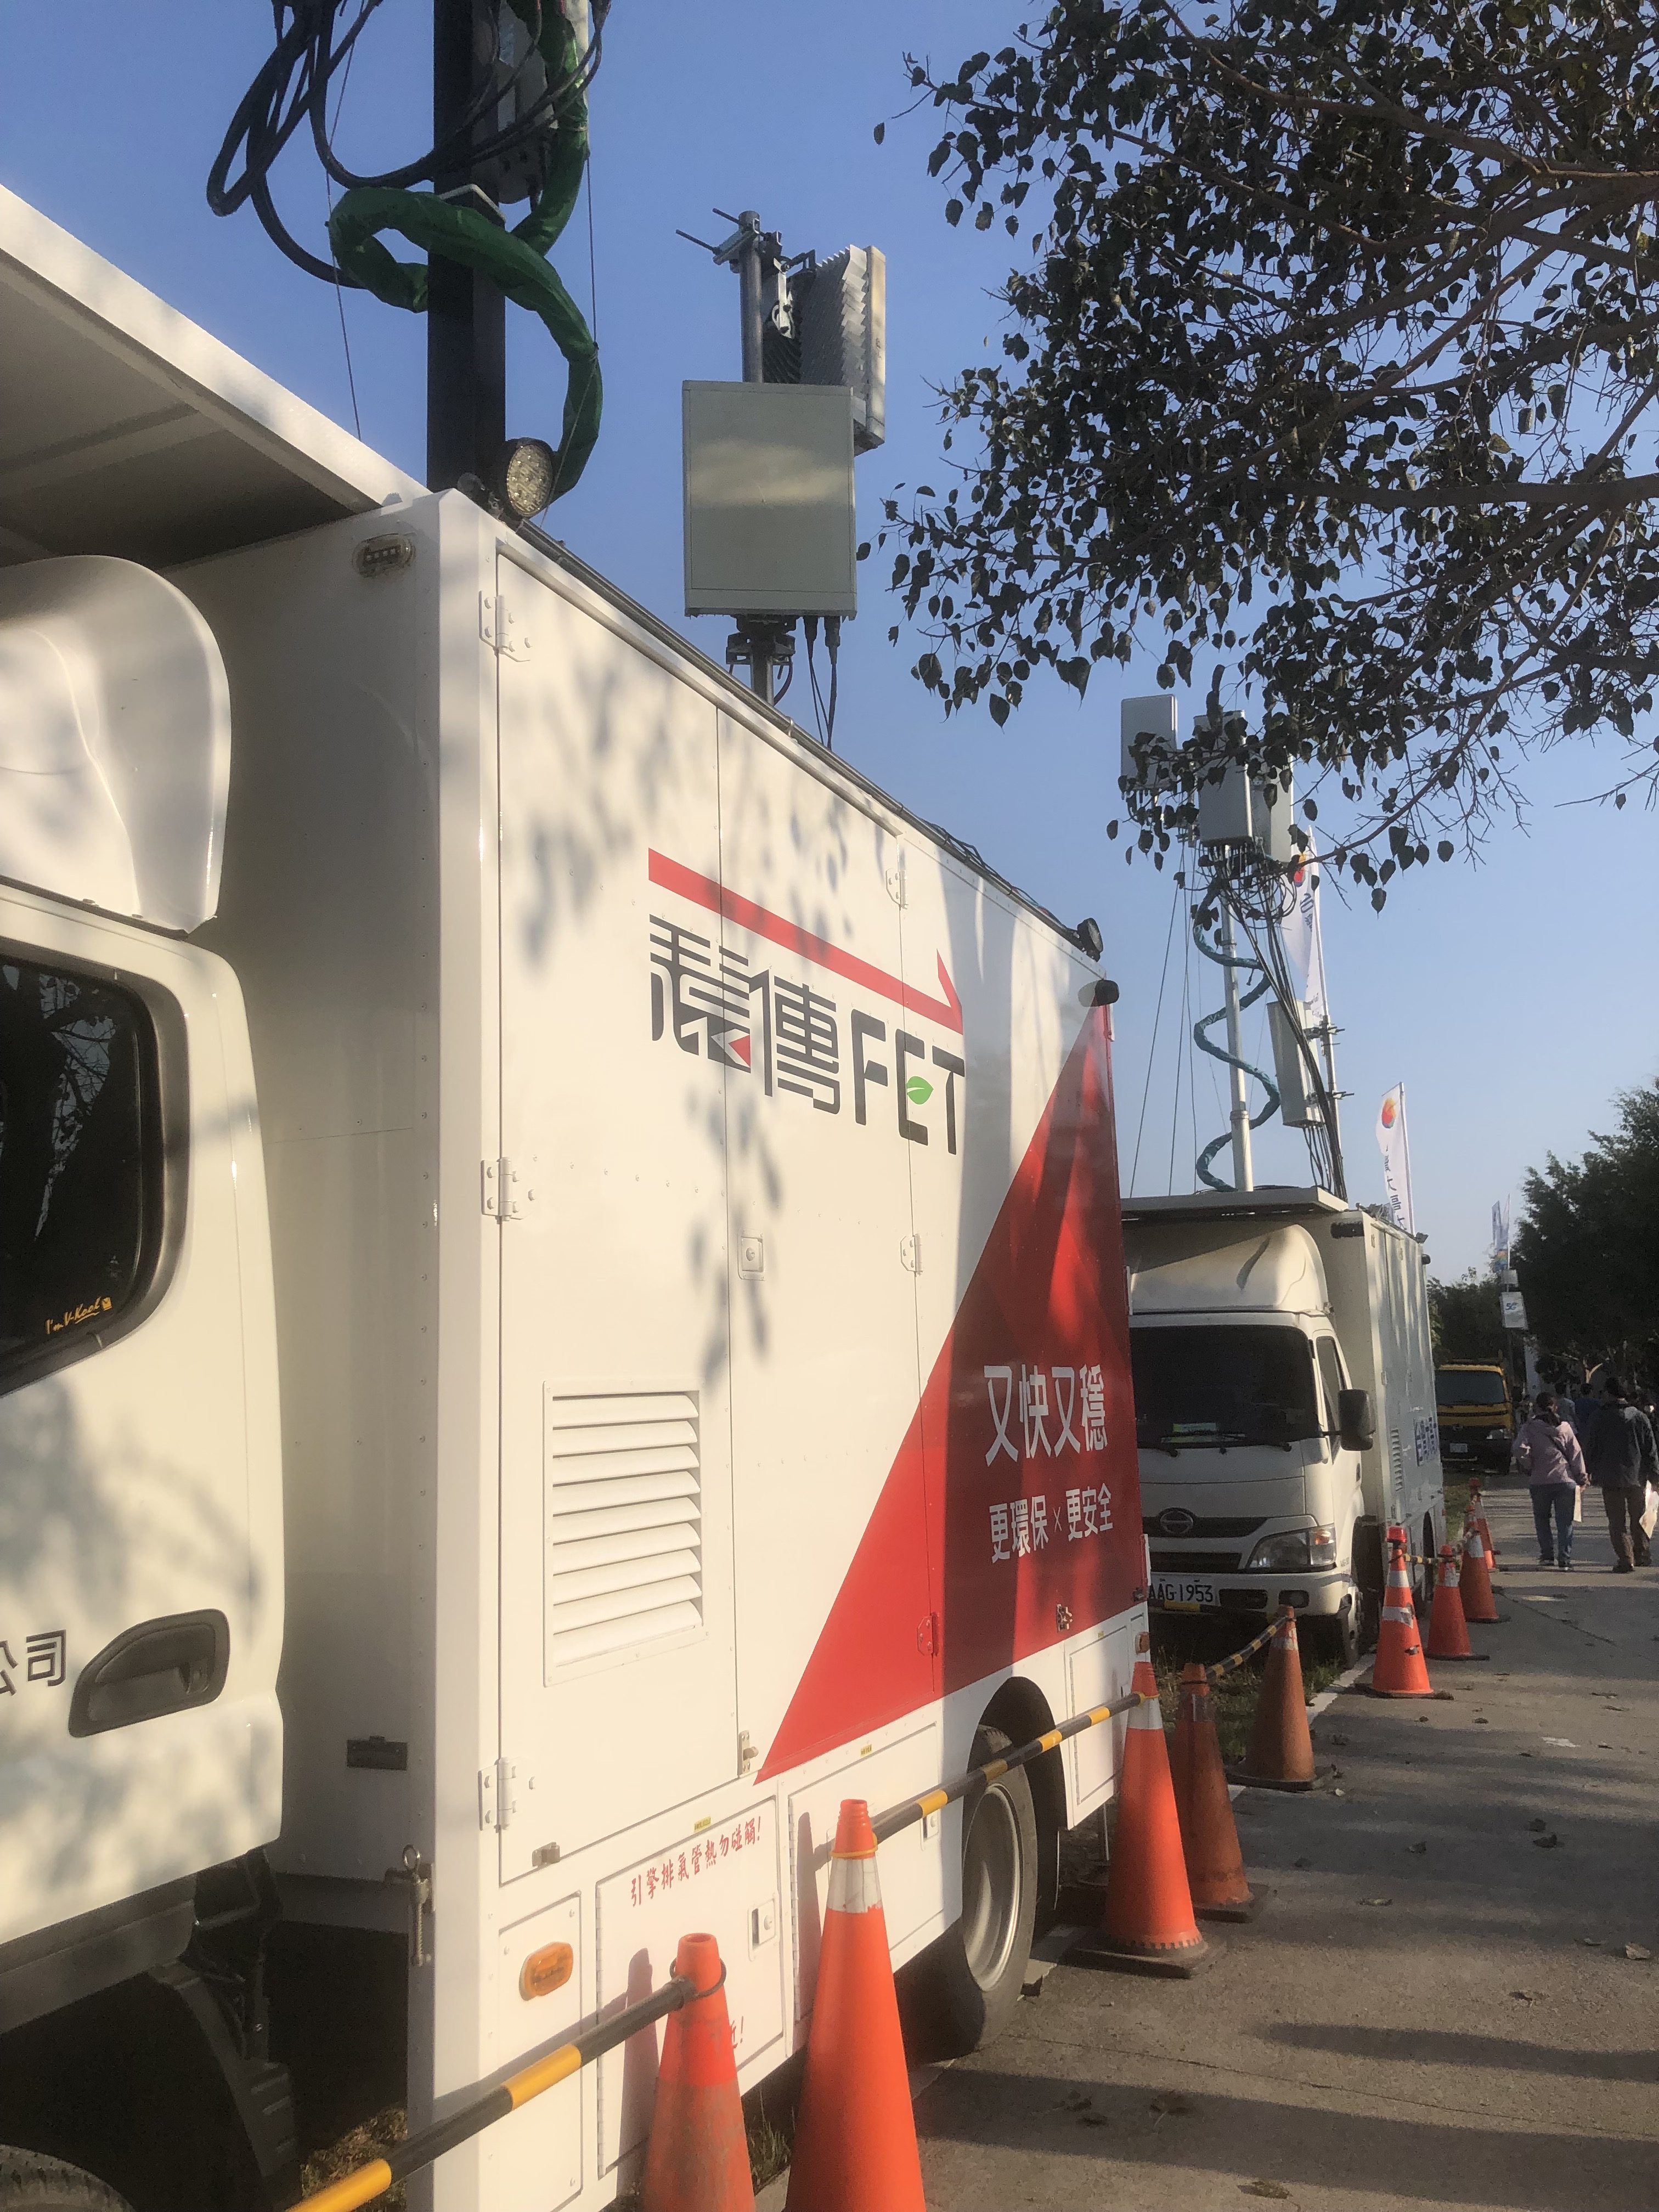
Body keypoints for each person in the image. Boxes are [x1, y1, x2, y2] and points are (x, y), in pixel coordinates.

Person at [1584, 1375, 1659, 1571]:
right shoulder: (1639, 1417)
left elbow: (1591, 1446)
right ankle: (1642, 1554)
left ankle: (1626, 1559)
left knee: (1617, 1522)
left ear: (1609, 1394)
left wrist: (1587, 1471)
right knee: (1639, 1518)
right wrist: (1655, 1475)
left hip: (1610, 1478)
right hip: (1637, 1477)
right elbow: (1650, 1449)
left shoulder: (1599, 1417)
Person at [1511, 1392, 1589, 1568]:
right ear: (1555, 1407)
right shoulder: (1565, 1428)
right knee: (1565, 1522)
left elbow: (1519, 1448)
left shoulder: (1529, 1427)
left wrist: (1529, 1464)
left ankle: (1547, 1556)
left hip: (1539, 1481)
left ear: (1536, 1407)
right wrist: (1582, 1477)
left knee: (1542, 1520)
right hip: (1565, 1481)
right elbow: (1576, 1454)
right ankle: (1565, 1559)